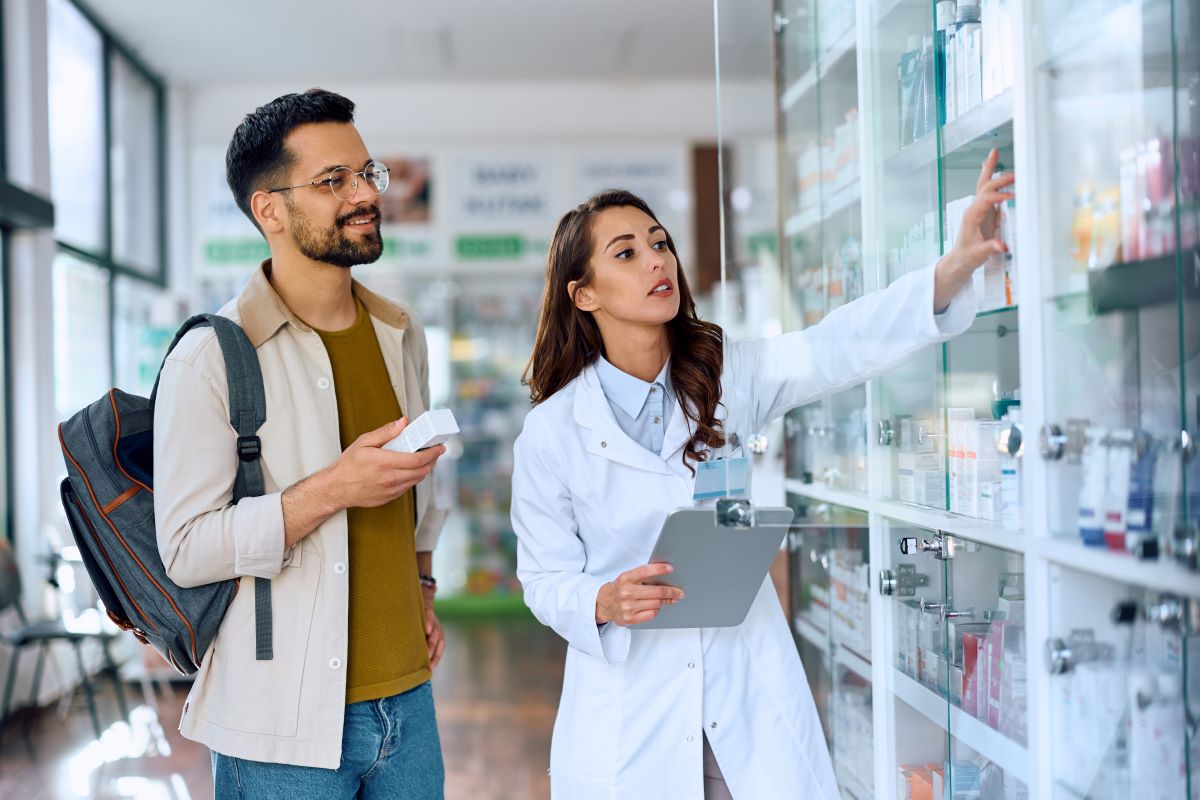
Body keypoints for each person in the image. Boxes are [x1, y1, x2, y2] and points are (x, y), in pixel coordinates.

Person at [511, 151, 1015, 799]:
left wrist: (948, 273)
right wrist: (601, 601)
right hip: (631, 710)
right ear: (583, 294)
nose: (657, 260)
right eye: (627, 253)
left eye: (660, 243)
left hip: (744, 693)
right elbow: (543, 578)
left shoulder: (726, 376)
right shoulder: (553, 432)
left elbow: (835, 347)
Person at [154, 88, 450, 799]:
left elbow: (419, 498)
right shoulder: (211, 357)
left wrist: (423, 585)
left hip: (408, 702)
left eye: (365, 173)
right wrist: (331, 491)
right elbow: (187, 547)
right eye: (332, 181)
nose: (364, 194)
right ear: (270, 210)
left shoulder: (399, 333)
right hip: (279, 723)